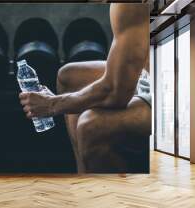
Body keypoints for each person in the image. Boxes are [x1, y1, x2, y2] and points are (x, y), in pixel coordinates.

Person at [19, 3, 151, 173]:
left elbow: (115, 93)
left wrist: (52, 104)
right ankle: (85, 179)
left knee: (91, 126)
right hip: (149, 72)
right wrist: (63, 102)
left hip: (169, 95)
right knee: (69, 77)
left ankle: (115, 197)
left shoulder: (129, 6)